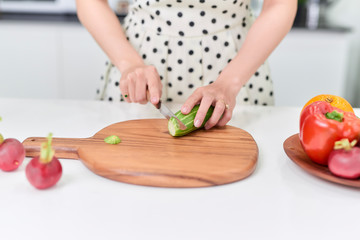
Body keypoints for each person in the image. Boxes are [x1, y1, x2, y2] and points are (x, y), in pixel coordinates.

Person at [76, 0, 297, 129]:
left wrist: (230, 83)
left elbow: (280, 4)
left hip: (237, 65)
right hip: (136, 60)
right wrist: (128, 63)